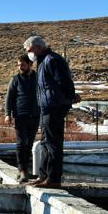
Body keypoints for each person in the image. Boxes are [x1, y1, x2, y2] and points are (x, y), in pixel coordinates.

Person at [23, 35, 80, 188]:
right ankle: (43, 176)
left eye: (29, 50)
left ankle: (53, 179)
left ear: (37, 47)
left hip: (54, 106)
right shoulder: (42, 61)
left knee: (53, 143)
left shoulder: (52, 60)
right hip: (46, 107)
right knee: (45, 142)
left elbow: (64, 81)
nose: (28, 53)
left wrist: (71, 96)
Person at [4, 54, 40, 182]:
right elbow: (9, 98)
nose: (20, 67)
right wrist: (8, 114)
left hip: (35, 115)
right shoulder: (15, 79)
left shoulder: (38, 77)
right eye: (19, 65)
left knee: (29, 143)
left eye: (23, 65)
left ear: (30, 64)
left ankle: (25, 170)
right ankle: (22, 170)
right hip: (20, 115)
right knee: (21, 142)